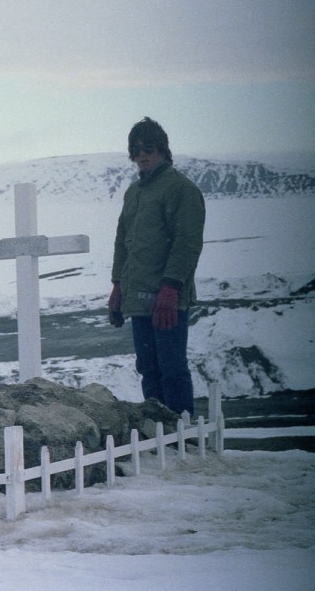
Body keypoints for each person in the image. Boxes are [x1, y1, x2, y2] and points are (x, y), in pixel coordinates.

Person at [109, 117, 205, 416]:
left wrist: (170, 287)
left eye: (148, 147)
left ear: (163, 149)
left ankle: (183, 439)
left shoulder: (180, 189)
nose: (141, 155)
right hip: (139, 298)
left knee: (172, 367)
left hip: (167, 298)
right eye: (135, 149)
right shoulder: (135, 193)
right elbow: (123, 241)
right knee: (148, 368)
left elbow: (187, 242)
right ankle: (159, 431)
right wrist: (117, 286)